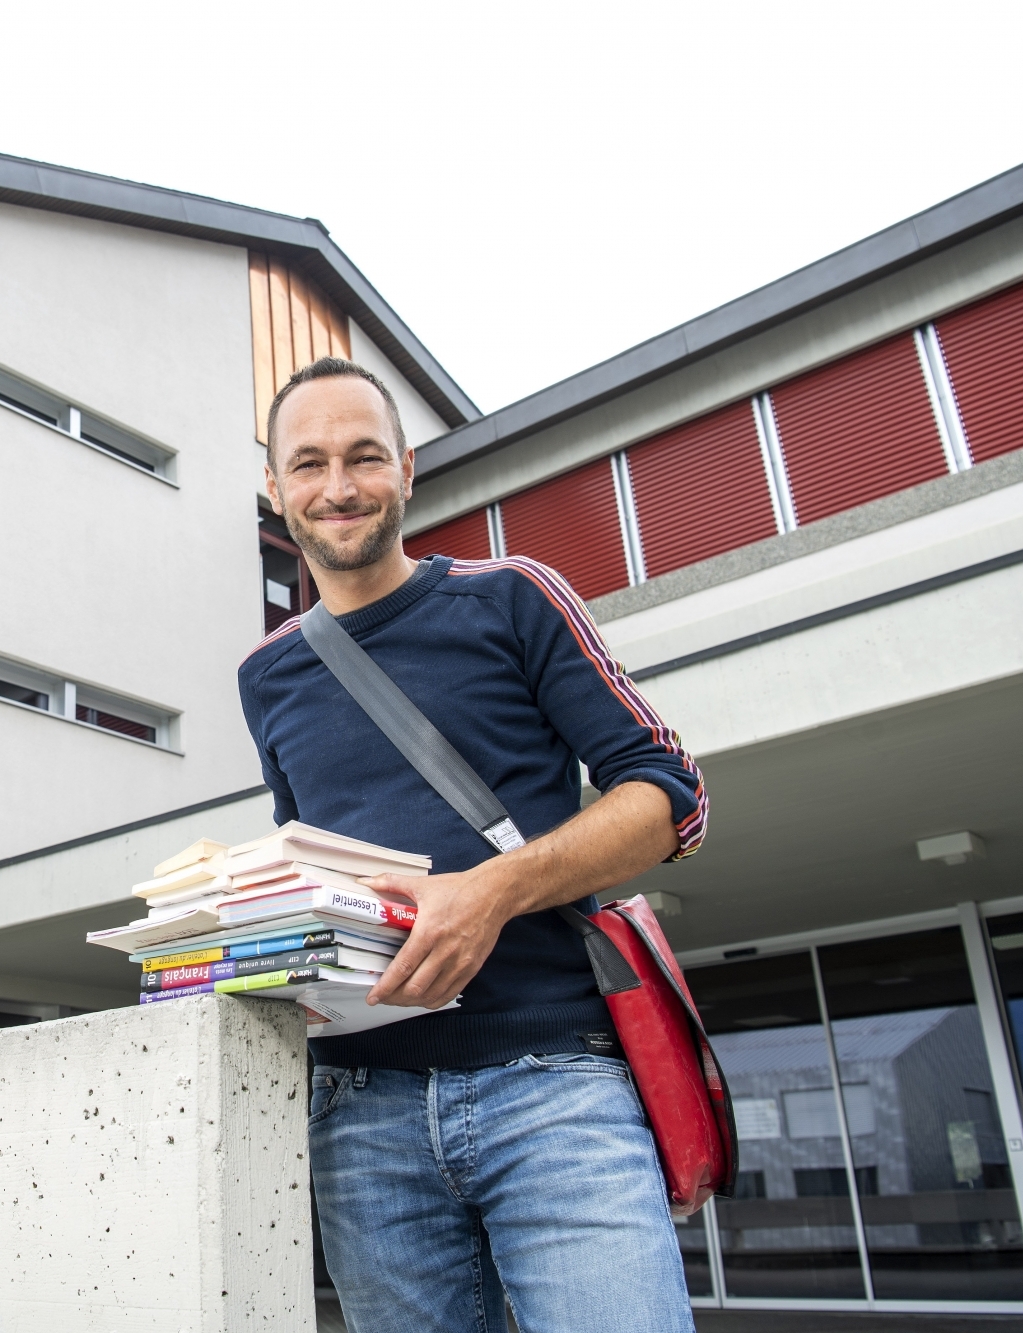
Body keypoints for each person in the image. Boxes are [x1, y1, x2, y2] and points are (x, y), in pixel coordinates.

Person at [238, 357, 708, 1333]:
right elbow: (314, 866)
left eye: (364, 457)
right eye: (310, 463)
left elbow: (670, 796)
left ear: (406, 469)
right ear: (274, 488)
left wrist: (489, 891)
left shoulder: (514, 597)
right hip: (359, 1116)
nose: (338, 487)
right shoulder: (267, 674)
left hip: (555, 1085)